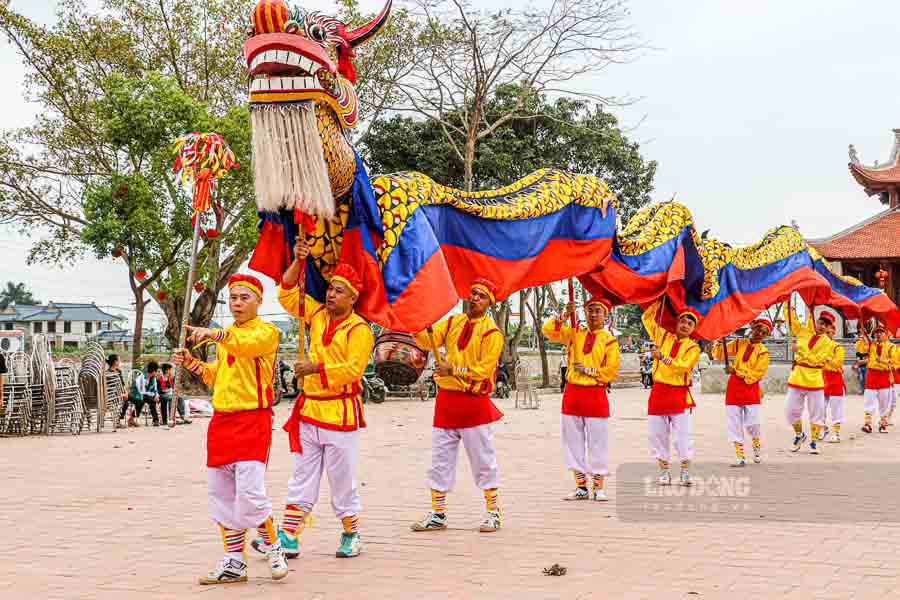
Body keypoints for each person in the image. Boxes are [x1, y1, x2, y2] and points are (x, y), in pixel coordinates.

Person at [255, 238, 373, 561]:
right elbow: (286, 294)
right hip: (309, 411)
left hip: (340, 414)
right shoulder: (317, 315)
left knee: (341, 481)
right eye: (330, 288)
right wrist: (297, 260)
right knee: (301, 478)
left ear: (353, 297)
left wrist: (316, 368)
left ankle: (352, 534)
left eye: (338, 290)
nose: (331, 293)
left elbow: (352, 370)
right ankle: (289, 535)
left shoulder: (360, 329)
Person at [172, 274, 288, 585]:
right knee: (221, 495)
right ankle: (234, 560)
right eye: (233, 298)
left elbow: (246, 347)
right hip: (221, 422)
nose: (237, 303)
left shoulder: (267, 333)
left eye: (244, 298)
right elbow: (219, 375)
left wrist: (213, 334)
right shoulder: (227, 338)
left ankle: (273, 546)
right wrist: (192, 363)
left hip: (253, 420)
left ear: (259, 302)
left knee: (250, 494)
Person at [410, 278, 504, 533]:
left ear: (489, 303)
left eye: (481, 296)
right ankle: (438, 514)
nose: (474, 298)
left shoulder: (492, 334)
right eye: (472, 293)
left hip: (474, 404)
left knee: (483, 461)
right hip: (446, 402)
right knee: (440, 461)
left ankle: (493, 512)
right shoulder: (453, 322)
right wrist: (418, 321)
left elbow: (483, 371)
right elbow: (426, 341)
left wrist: (453, 369)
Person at [542, 297, 620, 501]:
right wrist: (564, 315)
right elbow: (548, 331)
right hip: (572, 395)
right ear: (584, 313)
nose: (593, 314)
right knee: (572, 443)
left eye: (597, 311)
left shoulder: (610, 341)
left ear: (605, 315)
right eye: (589, 310)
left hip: (595, 395)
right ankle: (581, 487)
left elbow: (610, 371)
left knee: (598, 443)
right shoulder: (574, 333)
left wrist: (588, 370)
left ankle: (598, 487)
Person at [641, 299, 701, 486]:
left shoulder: (693, 348)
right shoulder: (663, 336)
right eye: (683, 321)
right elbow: (647, 319)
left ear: (693, 329)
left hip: (679, 395)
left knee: (682, 436)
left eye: (690, 324)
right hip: (658, 392)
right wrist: (658, 302)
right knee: (656, 435)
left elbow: (683, 367)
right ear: (677, 322)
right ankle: (664, 471)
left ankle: (684, 471)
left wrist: (663, 357)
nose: (685, 325)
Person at [710, 319, 772, 466]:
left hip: (751, 388)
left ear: (766, 336)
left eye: (764, 333)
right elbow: (719, 354)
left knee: (753, 423)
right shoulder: (739, 343)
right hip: (733, 387)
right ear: (753, 329)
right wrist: (719, 342)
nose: (760, 334)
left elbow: (757, 374)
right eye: (758, 330)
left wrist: (736, 371)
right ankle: (740, 456)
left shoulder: (764, 352)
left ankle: (756, 445)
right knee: (734, 423)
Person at [785, 308, 836, 453]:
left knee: (816, 412)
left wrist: (799, 351)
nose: (822, 326)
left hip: (815, 380)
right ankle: (799, 435)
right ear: (815, 322)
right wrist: (787, 304)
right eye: (820, 323)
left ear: (829, 328)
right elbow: (791, 320)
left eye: (825, 325)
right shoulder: (803, 331)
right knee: (790, 410)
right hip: (797, 377)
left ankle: (814, 441)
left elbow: (817, 360)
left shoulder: (828, 343)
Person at [855, 322, 894, 434]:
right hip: (872, 375)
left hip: (884, 375)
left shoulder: (892, 347)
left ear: (886, 334)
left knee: (884, 401)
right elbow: (860, 349)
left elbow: (895, 362)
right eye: (877, 332)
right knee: (869, 399)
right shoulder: (871, 344)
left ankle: (883, 424)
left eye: (881, 332)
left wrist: (883, 361)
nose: (878, 334)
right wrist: (862, 336)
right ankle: (867, 424)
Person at [821, 322, 846, 443]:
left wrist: (829, 360)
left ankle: (836, 433)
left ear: (833, 333)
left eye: (828, 332)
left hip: (835, 379)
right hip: (822, 378)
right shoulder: (819, 346)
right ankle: (823, 428)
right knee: (819, 407)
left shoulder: (838, 347)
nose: (825, 335)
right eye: (824, 333)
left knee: (836, 408)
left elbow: (838, 363)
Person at [128, 361, 160, 427]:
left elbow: (155, 389)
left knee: (152, 401)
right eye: (157, 371)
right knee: (142, 401)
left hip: (145, 395)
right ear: (153, 371)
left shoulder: (153, 379)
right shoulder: (142, 377)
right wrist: (153, 395)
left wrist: (156, 395)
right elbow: (141, 391)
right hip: (136, 394)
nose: (157, 373)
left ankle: (155, 420)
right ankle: (131, 419)